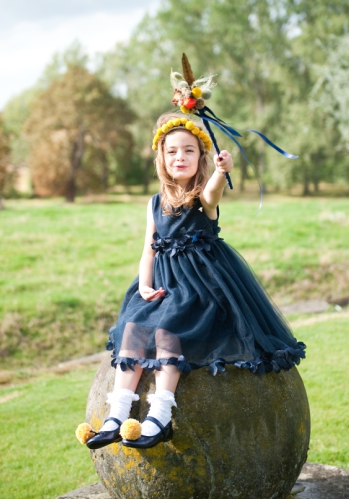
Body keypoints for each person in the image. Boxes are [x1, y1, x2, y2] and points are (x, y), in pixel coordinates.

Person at [75, 112, 305, 450]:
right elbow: (148, 250)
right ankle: (116, 414)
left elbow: (213, 195)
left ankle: (160, 416)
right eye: (172, 152)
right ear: (162, 158)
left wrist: (223, 171)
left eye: (188, 151)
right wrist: (143, 284)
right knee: (133, 329)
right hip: (163, 285)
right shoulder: (155, 203)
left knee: (170, 332)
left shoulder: (202, 200)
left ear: (201, 159)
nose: (179, 157)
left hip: (200, 288)